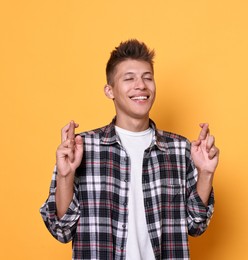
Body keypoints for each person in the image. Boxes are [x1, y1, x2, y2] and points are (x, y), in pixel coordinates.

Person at [40, 39, 219, 260]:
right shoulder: (81, 148)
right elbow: (61, 230)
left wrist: (206, 174)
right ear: (110, 90)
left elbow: (196, 225)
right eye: (129, 78)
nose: (141, 85)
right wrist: (66, 175)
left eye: (147, 77)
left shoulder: (180, 149)